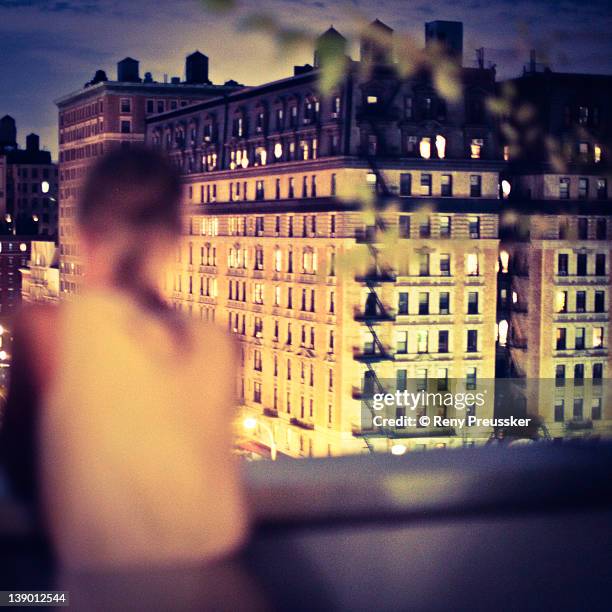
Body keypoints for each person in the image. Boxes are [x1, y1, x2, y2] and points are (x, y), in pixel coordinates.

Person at [0, 147, 248, 570]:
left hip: (108, 591)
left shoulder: (47, 329)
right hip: (227, 584)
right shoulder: (219, 343)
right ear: (174, 235)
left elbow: (23, 470)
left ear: (84, 232)